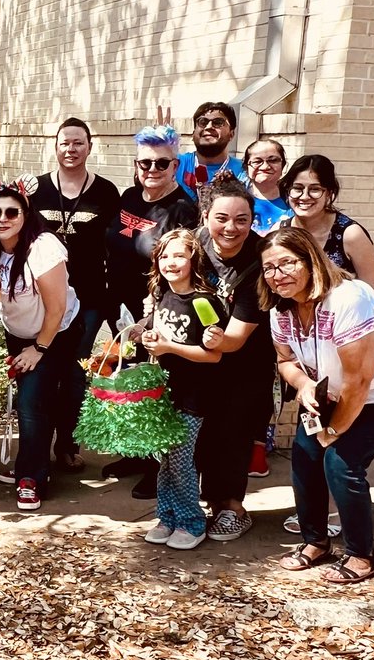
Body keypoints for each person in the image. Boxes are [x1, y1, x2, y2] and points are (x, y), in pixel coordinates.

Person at [262, 226, 374, 584]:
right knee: (305, 451)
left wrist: (334, 431)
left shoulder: (348, 298)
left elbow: (360, 380)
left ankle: (361, 555)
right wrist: (305, 384)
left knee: (342, 460)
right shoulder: (282, 309)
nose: (278, 275)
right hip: (340, 392)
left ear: (311, 261)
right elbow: (284, 361)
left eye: (288, 263)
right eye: (269, 268)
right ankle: (316, 542)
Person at [105, 126, 199, 498]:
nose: (153, 168)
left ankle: (158, 468)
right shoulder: (129, 196)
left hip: (156, 313)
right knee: (129, 381)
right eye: (146, 162)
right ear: (136, 164)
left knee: (155, 387)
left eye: (162, 163)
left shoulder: (184, 210)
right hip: (122, 310)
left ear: (175, 164)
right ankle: (135, 452)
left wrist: (150, 316)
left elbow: (182, 268)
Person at [0, 179, 82, 512]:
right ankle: (33, 461)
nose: (3, 218)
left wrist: (38, 349)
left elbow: (55, 309)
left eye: (12, 211)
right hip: (20, 336)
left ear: (26, 214)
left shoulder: (43, 247)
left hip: (54, 334)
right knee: (36, 400)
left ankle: (31, 478)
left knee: (30, 403)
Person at [30, 117, 121, 472]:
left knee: (74, 371)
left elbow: (114, 244)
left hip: (88, 298)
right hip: (41, 297)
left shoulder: (106, 192)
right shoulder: (35, 189)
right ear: (55, 146)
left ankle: (66, 443)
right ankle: (35, 444)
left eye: (78, 143)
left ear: (89, 147)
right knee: (42, 369)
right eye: (65, 142)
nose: (71, 149)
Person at [191, 173, 277, 541]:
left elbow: (236, 339)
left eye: (242, 220)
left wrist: (174, 345)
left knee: (233, 435)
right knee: (202, 435)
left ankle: (232, 509)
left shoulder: (259, 261)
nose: (231, 228)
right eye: (222, 218)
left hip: (245, 363)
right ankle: (201, 503)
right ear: (206, 216)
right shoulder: (194, 245)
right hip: (199, 361)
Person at [140, 229, 226, 550]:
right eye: (164, 256)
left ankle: (192, 521)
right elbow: (154, 333)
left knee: (179, 459)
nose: (170, 262)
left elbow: (214, 354)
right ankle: (168, 516)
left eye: (179, 255)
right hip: (164, 394)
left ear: (194, 259)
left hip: (193, 396)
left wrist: (170, 347)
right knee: (164, 458)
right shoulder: (162, 296)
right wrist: (146, 336)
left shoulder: (203, 302)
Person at [279, 154, 374, 300]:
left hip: (344, 319)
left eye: (315, 189)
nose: (304, 196)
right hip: (291, 319)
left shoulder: (350, 235)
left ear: (329, 193)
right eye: (297, 188)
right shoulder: (279, 232)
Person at [175, 102, 246, 202]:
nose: (209, 127)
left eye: (218, 122)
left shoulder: (244, 171)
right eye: (202, 122)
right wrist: (159, 147)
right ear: (193, 133)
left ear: (231, 134)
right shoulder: (174, 164)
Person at [242, 139, 291, 234]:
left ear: (283, 165)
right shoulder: (236, 198)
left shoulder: (294, 200)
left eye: (273, 160)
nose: (265, 167)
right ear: (246, 167)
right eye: (257, 161)